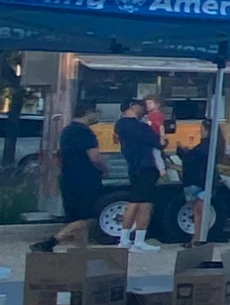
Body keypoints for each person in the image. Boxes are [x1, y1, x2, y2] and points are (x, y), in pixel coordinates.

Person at [49, 105, 108, 247]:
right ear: (87, 112)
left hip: (68, 178)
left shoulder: (66, 131)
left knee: (74, 215)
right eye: (96, 112)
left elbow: (57, 155)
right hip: (86, 179)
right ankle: (53, 241)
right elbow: (94, 157)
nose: (97, 116)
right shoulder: (85, 133)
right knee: (91, 217)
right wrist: (104, 169)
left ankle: (80, 249)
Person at [112, 96, 163, 251]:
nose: (144, 110)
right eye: (141, 106)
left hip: (133, 167)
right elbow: (157, 142)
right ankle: (139, 241)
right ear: (132, 107)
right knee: (145, 205)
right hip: (146, 166)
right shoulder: (139, 127)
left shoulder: (120, 125)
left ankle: (125, 239)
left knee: (133, 202)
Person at [181, 125, 230, 245]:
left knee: (198, 212)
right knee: (199, 212)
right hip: (206, 182)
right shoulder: (215, 145)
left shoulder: (204, 147)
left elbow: (191, 158)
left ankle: (198, 238)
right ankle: (197, 238)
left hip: (199, 182)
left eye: (202, 128)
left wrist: (182, 152)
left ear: (206, 130)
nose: (200, 131)